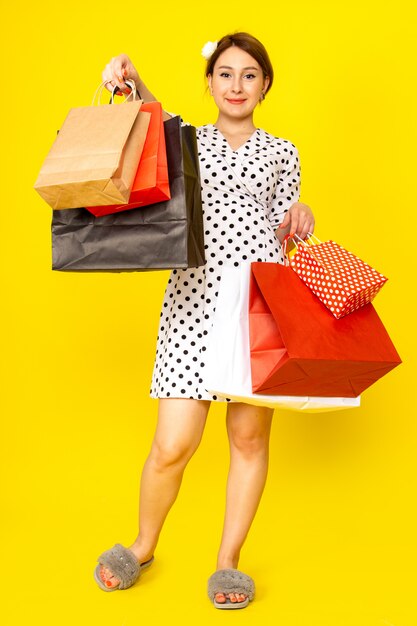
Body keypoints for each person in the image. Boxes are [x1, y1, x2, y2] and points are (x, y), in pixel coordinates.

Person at [94, 32, 315, 609]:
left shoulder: (284, 151)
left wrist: (301, 215)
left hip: (257, 304)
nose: (236, 85)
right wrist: (130, 75)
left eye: (249, 75)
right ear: (210, 82)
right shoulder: (188, 141)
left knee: (247, 438)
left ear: (265, 85)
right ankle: (143, 545)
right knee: (172, 444)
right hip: (193, 299)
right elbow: (150, 120)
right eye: (225, 73)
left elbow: (284, 225)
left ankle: (227, 561)